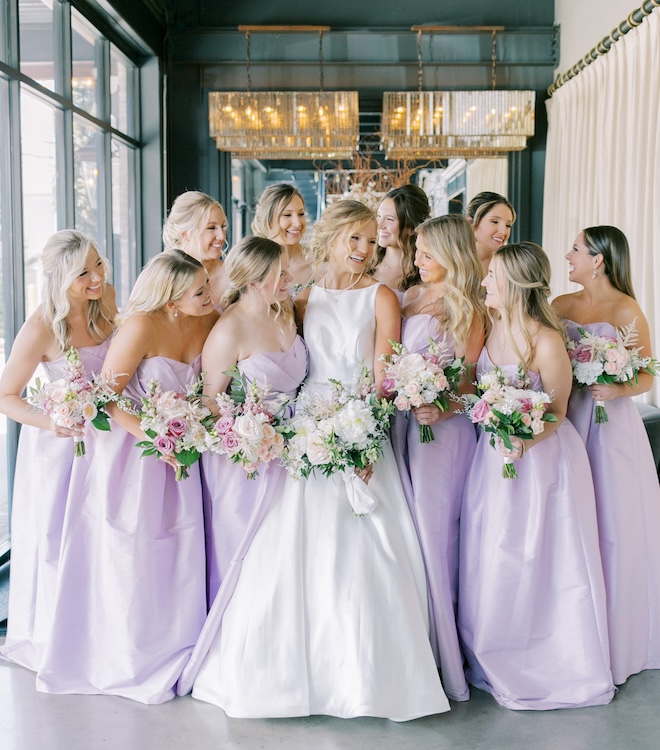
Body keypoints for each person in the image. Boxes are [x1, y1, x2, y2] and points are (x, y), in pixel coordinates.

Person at [180, 199, 449, 721]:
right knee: (291, 549)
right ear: (332, 239)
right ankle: (287, 670)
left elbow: (381, 375)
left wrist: (365, 439)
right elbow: (285, 364)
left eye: (372, 241)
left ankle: (368, 675)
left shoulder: (382, 297)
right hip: (305, 429)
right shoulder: (302, 298)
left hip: (360, 424)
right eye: (355, 238)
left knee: (372, 550)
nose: (365, 249)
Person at [35, 252, 218, 704]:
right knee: (132, 550)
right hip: (130, 453)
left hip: (181, 449)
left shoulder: (208, 317)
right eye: (199, 291)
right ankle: (125, 652)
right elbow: (106, 399)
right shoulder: (140, 326)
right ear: (172, 301)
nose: (209, 295)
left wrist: (187, 432)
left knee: (179, 547)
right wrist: (156, 436)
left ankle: (176, 643)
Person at [458, 242, 615, 710]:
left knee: (540, 555)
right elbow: (475, 385)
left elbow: (560, 409)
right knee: (495, 551)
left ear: (513, 284)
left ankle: (550, 657)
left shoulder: (546, 338)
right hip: (494, 458)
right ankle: (495, 647)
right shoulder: (491, 327)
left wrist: (524, 439)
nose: (484, 282)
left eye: (492, 277)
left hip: (542, 460)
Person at [0, 231, 116, 673]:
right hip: (59, 449)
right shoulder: (41, 327)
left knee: (99, 540)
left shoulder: (107, 304)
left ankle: (98, 631)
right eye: (83, 273)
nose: (96, 278)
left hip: (107, 442)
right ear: (59, 276)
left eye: (99, 264)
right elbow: (6, 395)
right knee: (58, 541)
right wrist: (53, 421)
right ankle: (55, 635)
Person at [552, 225, 660, 685]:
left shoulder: (626, 309)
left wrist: (616, 385)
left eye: (576, 248)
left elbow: (647, 376)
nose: (568, 255)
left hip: (613, 429)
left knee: (614, 525)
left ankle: (620, 638)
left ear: (598, 258)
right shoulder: (559, 306)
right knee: (572, 522)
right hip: (570, 419)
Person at [391, 214, 486, 702]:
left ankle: (445, 655)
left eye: (427, 254)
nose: (418, 261)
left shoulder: (470, 306)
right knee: (406, 532)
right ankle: (411, 645)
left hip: (443, 434)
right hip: (402, 427)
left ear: (451, 255)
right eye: (417, 253)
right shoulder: (407, 298)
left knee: (435, 533)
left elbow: (470, 381)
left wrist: (439, 404)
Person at [199, 236, 308, 606]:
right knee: (248, 554)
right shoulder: (229, 330)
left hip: (297, 451)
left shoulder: (286, 309)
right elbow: (210, 405)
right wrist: (251, 436)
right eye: (280, 274)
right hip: (246, 462)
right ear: (253, 283)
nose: (289, 278)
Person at [162, 190, 230, 307]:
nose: (222, 236)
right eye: (211, 228)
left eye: (222, 226)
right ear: (185, 234)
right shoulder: (162, 277)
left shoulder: (232, 278)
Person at [251, 183, 315, 292]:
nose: (298, 223)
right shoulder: (251, 267)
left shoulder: (319, 264)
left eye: (301, 214)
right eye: (287, 215)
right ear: (268, 220)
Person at [372, 184, 431, 299]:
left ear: (412, 227)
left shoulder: (424, 272)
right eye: (379, 216)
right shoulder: (366, 264)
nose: (379, 225)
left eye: (389, 219)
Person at [464, 191, 516, 275]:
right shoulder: (452, 264)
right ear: (470, 222)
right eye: (494, 222)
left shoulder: (510, 266)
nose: (503, 232)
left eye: (508, 225)